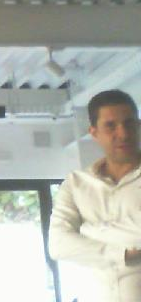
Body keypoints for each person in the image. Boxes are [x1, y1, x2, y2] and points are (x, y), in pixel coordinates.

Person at [49, 89, 141, 302]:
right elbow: (58, 245)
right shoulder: (76, 184)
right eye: (111, 126)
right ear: (94, 132)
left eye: (129, 123)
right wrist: (122, 254)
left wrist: (87, 231)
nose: (123, 134)